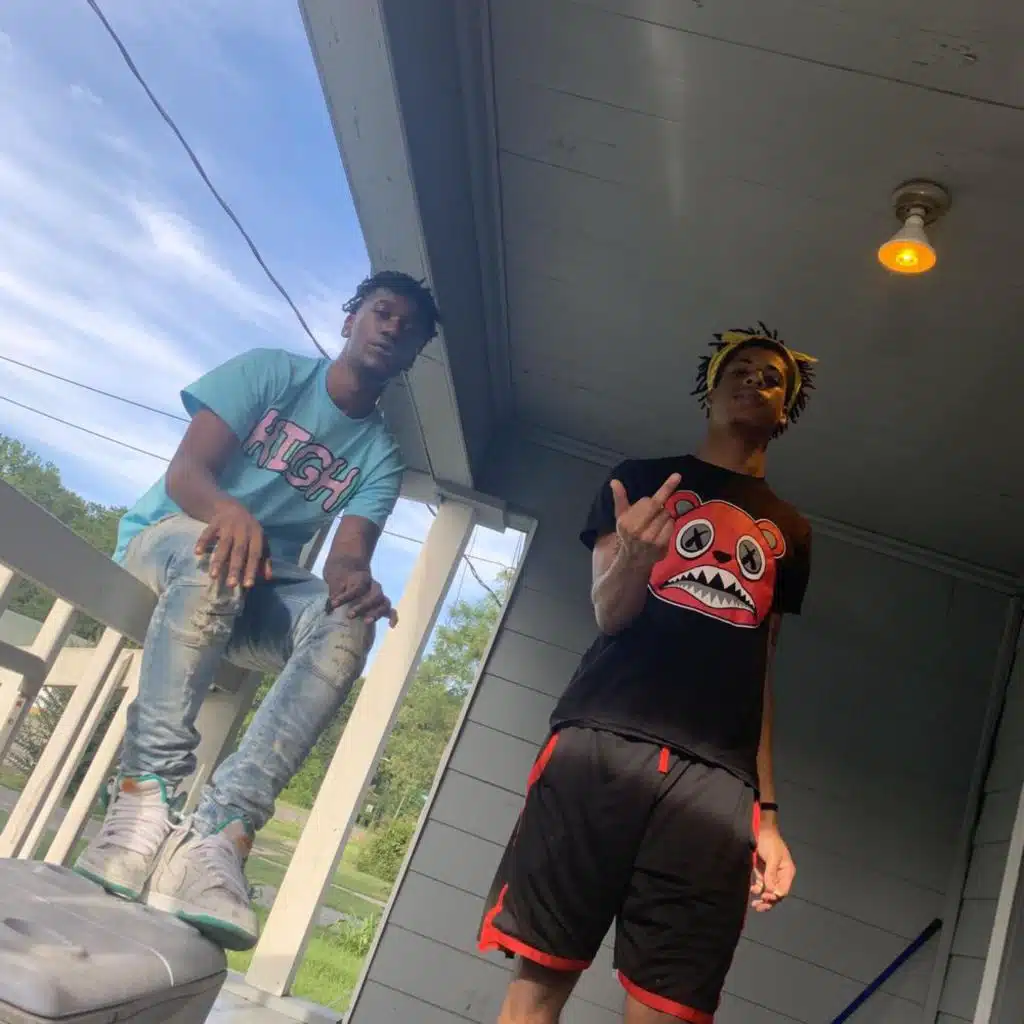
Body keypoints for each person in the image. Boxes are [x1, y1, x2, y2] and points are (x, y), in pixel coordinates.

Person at [74, 270, 441, 951]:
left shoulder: (380, 457)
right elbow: (188, 474)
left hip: (258, 589)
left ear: (414, 354)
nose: (393, 327)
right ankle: (144, 798)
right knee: (216, 554)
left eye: (409, 327)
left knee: (345, 622)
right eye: (382, 311)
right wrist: (230, 512)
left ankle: (221, 835)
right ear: (350, 321)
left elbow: (347, 557)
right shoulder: (269, 374)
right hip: (173, 544)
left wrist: (357, 584)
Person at [478, 325, 818, 1023]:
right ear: (711, 389)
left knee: (669, 1005)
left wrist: (769, 816)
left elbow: (760, 669)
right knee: (536, 988)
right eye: (741, 369)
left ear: (785, 411)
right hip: (603, 741)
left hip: (717, 784)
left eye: (773, 378)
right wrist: (633, 553)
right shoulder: (638, 482)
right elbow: (609, 612)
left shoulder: (792, 530)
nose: (756, 381)